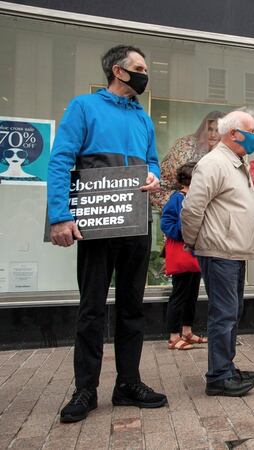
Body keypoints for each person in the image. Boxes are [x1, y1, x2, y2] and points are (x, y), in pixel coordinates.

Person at [47, 45, 167, 423]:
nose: (146, 74)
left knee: (133, 307)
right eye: (140, 68)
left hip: (135, 222)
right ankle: (85, 388)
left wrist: (153, 175)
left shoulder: (144, 118)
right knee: (92, 308)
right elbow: (61, 159)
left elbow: (152, 162)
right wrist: (59, 216)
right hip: (96, 224)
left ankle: (128, 384)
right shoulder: (84, 107)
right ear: (119, 71)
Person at [181, 110, 254, 397]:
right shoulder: (213, 163)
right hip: (219, 251)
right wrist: (193, 242)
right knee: (224, 314)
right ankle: (218, 377)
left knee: (232, 312)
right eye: (251, 130)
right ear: (233, 134)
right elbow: (192, 208)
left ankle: (226, 368)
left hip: (234, 251)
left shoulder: (239, 162)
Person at [161, 162, 205, 350]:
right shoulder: (177, 198)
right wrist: (183, 234)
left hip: (195, 254)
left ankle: (186, 331)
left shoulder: (195, 198)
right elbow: (166, 222)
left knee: (191, 294)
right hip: (183, 252)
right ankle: (173, 336)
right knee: (179, 295)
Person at [150, 111, 224, 210]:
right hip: (169, 192)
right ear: (203, 129)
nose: (213, 135)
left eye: (218, 130)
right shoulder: (187, 144)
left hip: (198, 197)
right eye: (210, 129)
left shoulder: (222, 150)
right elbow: (182, 177)